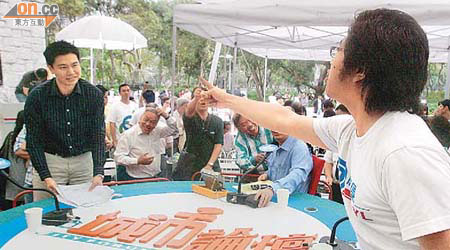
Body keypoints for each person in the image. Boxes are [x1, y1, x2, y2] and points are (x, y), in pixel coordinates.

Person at [200, 8, 450, 249]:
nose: (331, 61)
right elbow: (285, 120)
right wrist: (225, 99)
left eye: (337, 50)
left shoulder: (404, 153)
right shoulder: (351, 129)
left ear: (360, 70)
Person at [24, 41, 105, 201]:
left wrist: (98, 172)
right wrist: (45, 176)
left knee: (86, 211)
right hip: (51, 161)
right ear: (51, 68)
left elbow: (98, 135)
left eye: (75, 65)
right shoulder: (37, 96)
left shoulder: (93, 95)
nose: (71, 72)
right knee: (47, 212)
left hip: (83, 163)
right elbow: (33, 140)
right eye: (63, 67)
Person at [172, 87, 223, 180]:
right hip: (189, 166)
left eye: (205, 97)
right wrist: (196, 97)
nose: (202, 100)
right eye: (199, 98)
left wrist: (210, 165)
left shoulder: (217, 121)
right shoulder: (190, 118)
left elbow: (218, 144)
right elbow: (188, 111)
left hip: (210, 165)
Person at [114, 108, 177, 180]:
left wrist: (166, 116)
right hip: (135, 179)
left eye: (152, 122)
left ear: (156, 124)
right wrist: (137, 161)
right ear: (140, 118)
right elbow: (118, 158)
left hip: (156, 177)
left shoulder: (158, 131)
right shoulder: (128, 135)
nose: (148, 124)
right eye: (146, 120)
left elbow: (174, 129)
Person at [254, 130, 313, 208]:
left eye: (279, 126)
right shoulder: (276, 147)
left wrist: (272, 189)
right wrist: (266, 174)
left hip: (293, 203)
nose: (274, 130)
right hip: (275, 199)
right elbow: (277, 169)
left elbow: (298, 174)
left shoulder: (299, 147)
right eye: (271, 126)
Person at [107, 83, 138, 148]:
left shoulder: (135, 106)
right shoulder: (115, 106)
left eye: (128, 90)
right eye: (123, 91)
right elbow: (112, 124)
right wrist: (114, 141)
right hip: (120, 139)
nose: (126, 92)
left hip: (133, 140)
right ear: (120, 93)